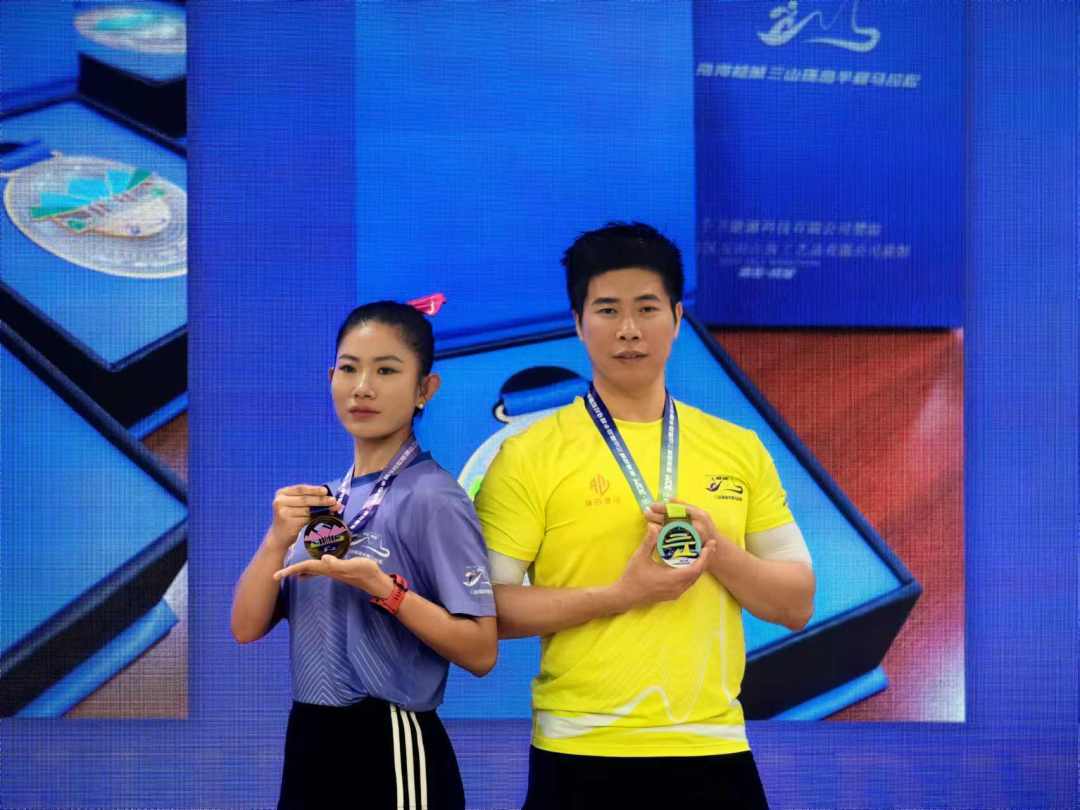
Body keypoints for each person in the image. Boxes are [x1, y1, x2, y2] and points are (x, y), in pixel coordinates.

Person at [474, 222, 815, 809]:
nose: (628, 329)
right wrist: (622, 594)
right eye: (607, 310)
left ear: (677, 319)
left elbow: (796, 603)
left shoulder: (738, 448)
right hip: (578, 750)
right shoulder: (527, 455)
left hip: (713, 747)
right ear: (578, 322)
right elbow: (489, 608)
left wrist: (716, 550)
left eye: (647, 308)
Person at [231, 301, 498, 810]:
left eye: (386, 371)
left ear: (425, 389)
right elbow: (245, 628)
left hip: (391, 744)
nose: (363, 387)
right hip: (309, 738)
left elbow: (481, 651)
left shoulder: (433, 497)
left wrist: (383, 589)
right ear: (330, 378)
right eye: (349, 369)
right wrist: (275, 540)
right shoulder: (325, 502)